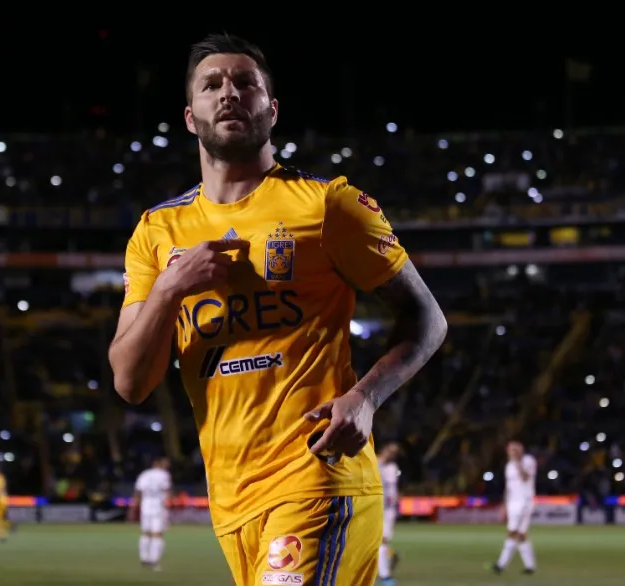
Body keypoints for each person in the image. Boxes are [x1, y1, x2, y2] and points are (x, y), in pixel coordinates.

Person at [109, 32, 447, 586]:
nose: (229, 93)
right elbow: (130, 381)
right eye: (211, 84)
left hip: (317, 476)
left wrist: (365, 397)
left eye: (246, 82)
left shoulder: (328, 205)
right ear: (191, 117)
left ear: (272, 109)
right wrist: (171, 288)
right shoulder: (156, 232)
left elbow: (427, 318)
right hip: (232, 498)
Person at [492, 441, 537, 575]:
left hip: (524, 502)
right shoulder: (509, 466)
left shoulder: (528, 461)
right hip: (513, 502)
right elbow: (509, 487)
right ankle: (530, 566)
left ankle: (500, 565)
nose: (511, 452)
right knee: (521, 535)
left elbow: (525, 477)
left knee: (512, 532)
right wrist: (504, 505)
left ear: (521, 450)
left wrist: (517, 462)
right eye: (510, 450)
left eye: (514, 450)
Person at [131, 457, 172, 570]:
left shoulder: (145, 474)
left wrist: (133, 508)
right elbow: (166, 491)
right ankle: (153, 560)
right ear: (159, 463)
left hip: (146, 506)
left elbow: (138, 491)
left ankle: (144, 558)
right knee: (157, 534)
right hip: (158, 506)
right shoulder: (164, 475)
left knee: (145, 533)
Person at [377, 442, 401, 585]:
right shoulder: (374, 463)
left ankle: (384, 572)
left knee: (383, 542)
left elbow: (393, 489)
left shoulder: (393, 468)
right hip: (376, 508)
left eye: (395, 452)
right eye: (390, 450)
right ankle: (385, 575)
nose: (392, 453)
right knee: (380, 542)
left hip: (389, 511)